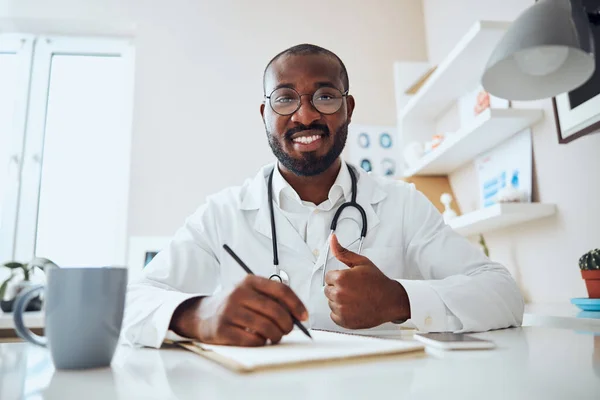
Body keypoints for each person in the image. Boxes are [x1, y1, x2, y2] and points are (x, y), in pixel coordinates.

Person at [123, 44, 524, 348]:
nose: (306, 115)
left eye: (325, 96)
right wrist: (197, 313)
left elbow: (503, 294)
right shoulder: (221, 214)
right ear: (264, 113)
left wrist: (400, 300)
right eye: (284, 98)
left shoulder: (403, 204)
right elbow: (130, 304)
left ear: (347, 108)